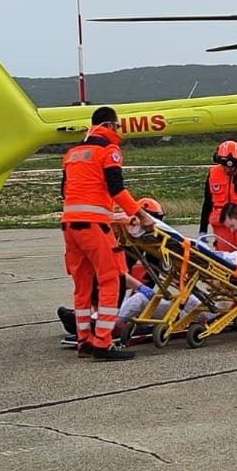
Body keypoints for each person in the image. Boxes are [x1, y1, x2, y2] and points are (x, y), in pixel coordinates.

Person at [61, 106, 152, 360]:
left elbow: (65, 191)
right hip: (94, 226)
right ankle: (103, 342)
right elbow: (116, 190)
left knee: (82, 285)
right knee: (111, 279)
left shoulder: (72, 153)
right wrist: (142, 215)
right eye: (117, 126)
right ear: (110, 126)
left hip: (70, 225)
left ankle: (84, 341)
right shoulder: (108, 150)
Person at [199, 140, 237, 237]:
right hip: (221, 227)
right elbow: (207, 202)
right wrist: (203, 230)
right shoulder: (213, 173)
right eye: (226, 166)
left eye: (234, 167)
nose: (230, 169)